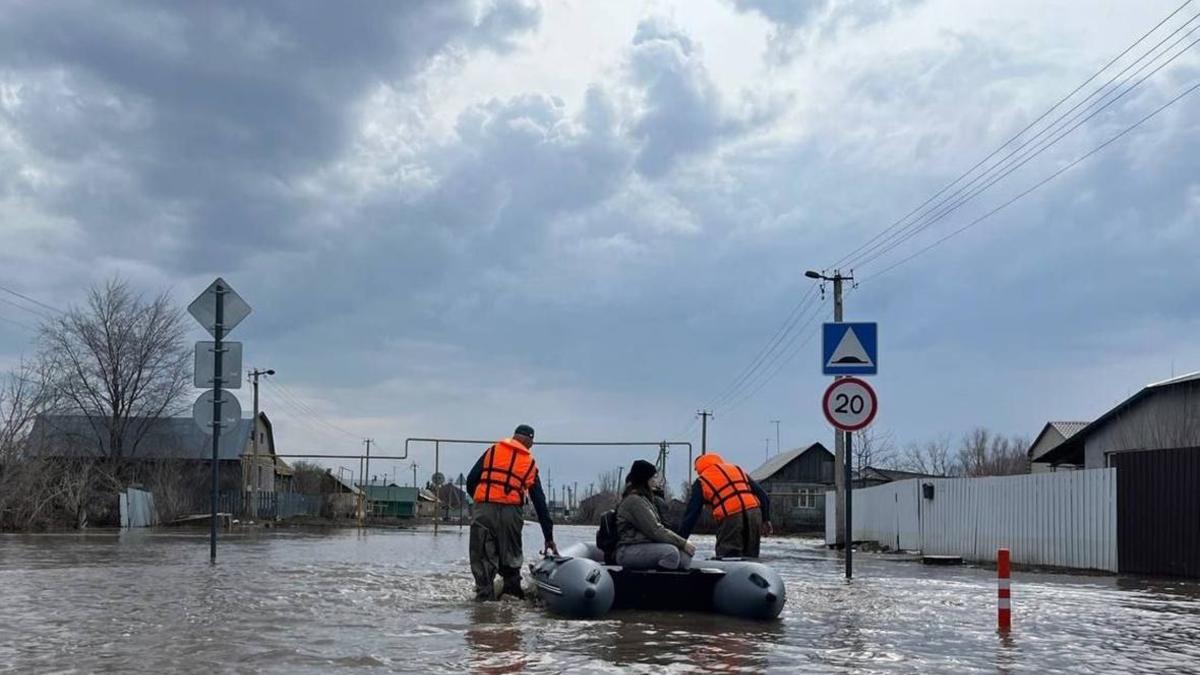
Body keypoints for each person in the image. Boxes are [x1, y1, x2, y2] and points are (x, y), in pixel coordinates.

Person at [465, 424, 557, 601]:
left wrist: (481, 500)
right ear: (529, 441)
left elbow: (471, 480)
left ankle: (484, 601)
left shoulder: (493, 451)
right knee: (511, 558)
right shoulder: (529, 463)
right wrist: (549, 537)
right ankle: (512, 600)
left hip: (483, 509)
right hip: (511, 513)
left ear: (514, 437)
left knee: (482, 558)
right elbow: (540, 503)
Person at [678, 453, 773, 559]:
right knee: (751, 556)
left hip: (731, 516)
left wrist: (679, 541)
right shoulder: (736, 470)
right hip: (754, 514)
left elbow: (692, 514)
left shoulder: (701, 481)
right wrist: (766, 519)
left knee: (728, 556)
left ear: (699, 467)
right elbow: (763, 496)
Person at [615, 459, 695, 570]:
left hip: (644, 545)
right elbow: (654, 530)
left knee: (684, 556)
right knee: (670, 553)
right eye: (653, 477)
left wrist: (681, 544)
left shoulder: (645, 499)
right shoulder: (634, 501)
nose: (655, 481)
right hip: (628, 549)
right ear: (644, 479)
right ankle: (657, 585)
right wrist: (683, 543)